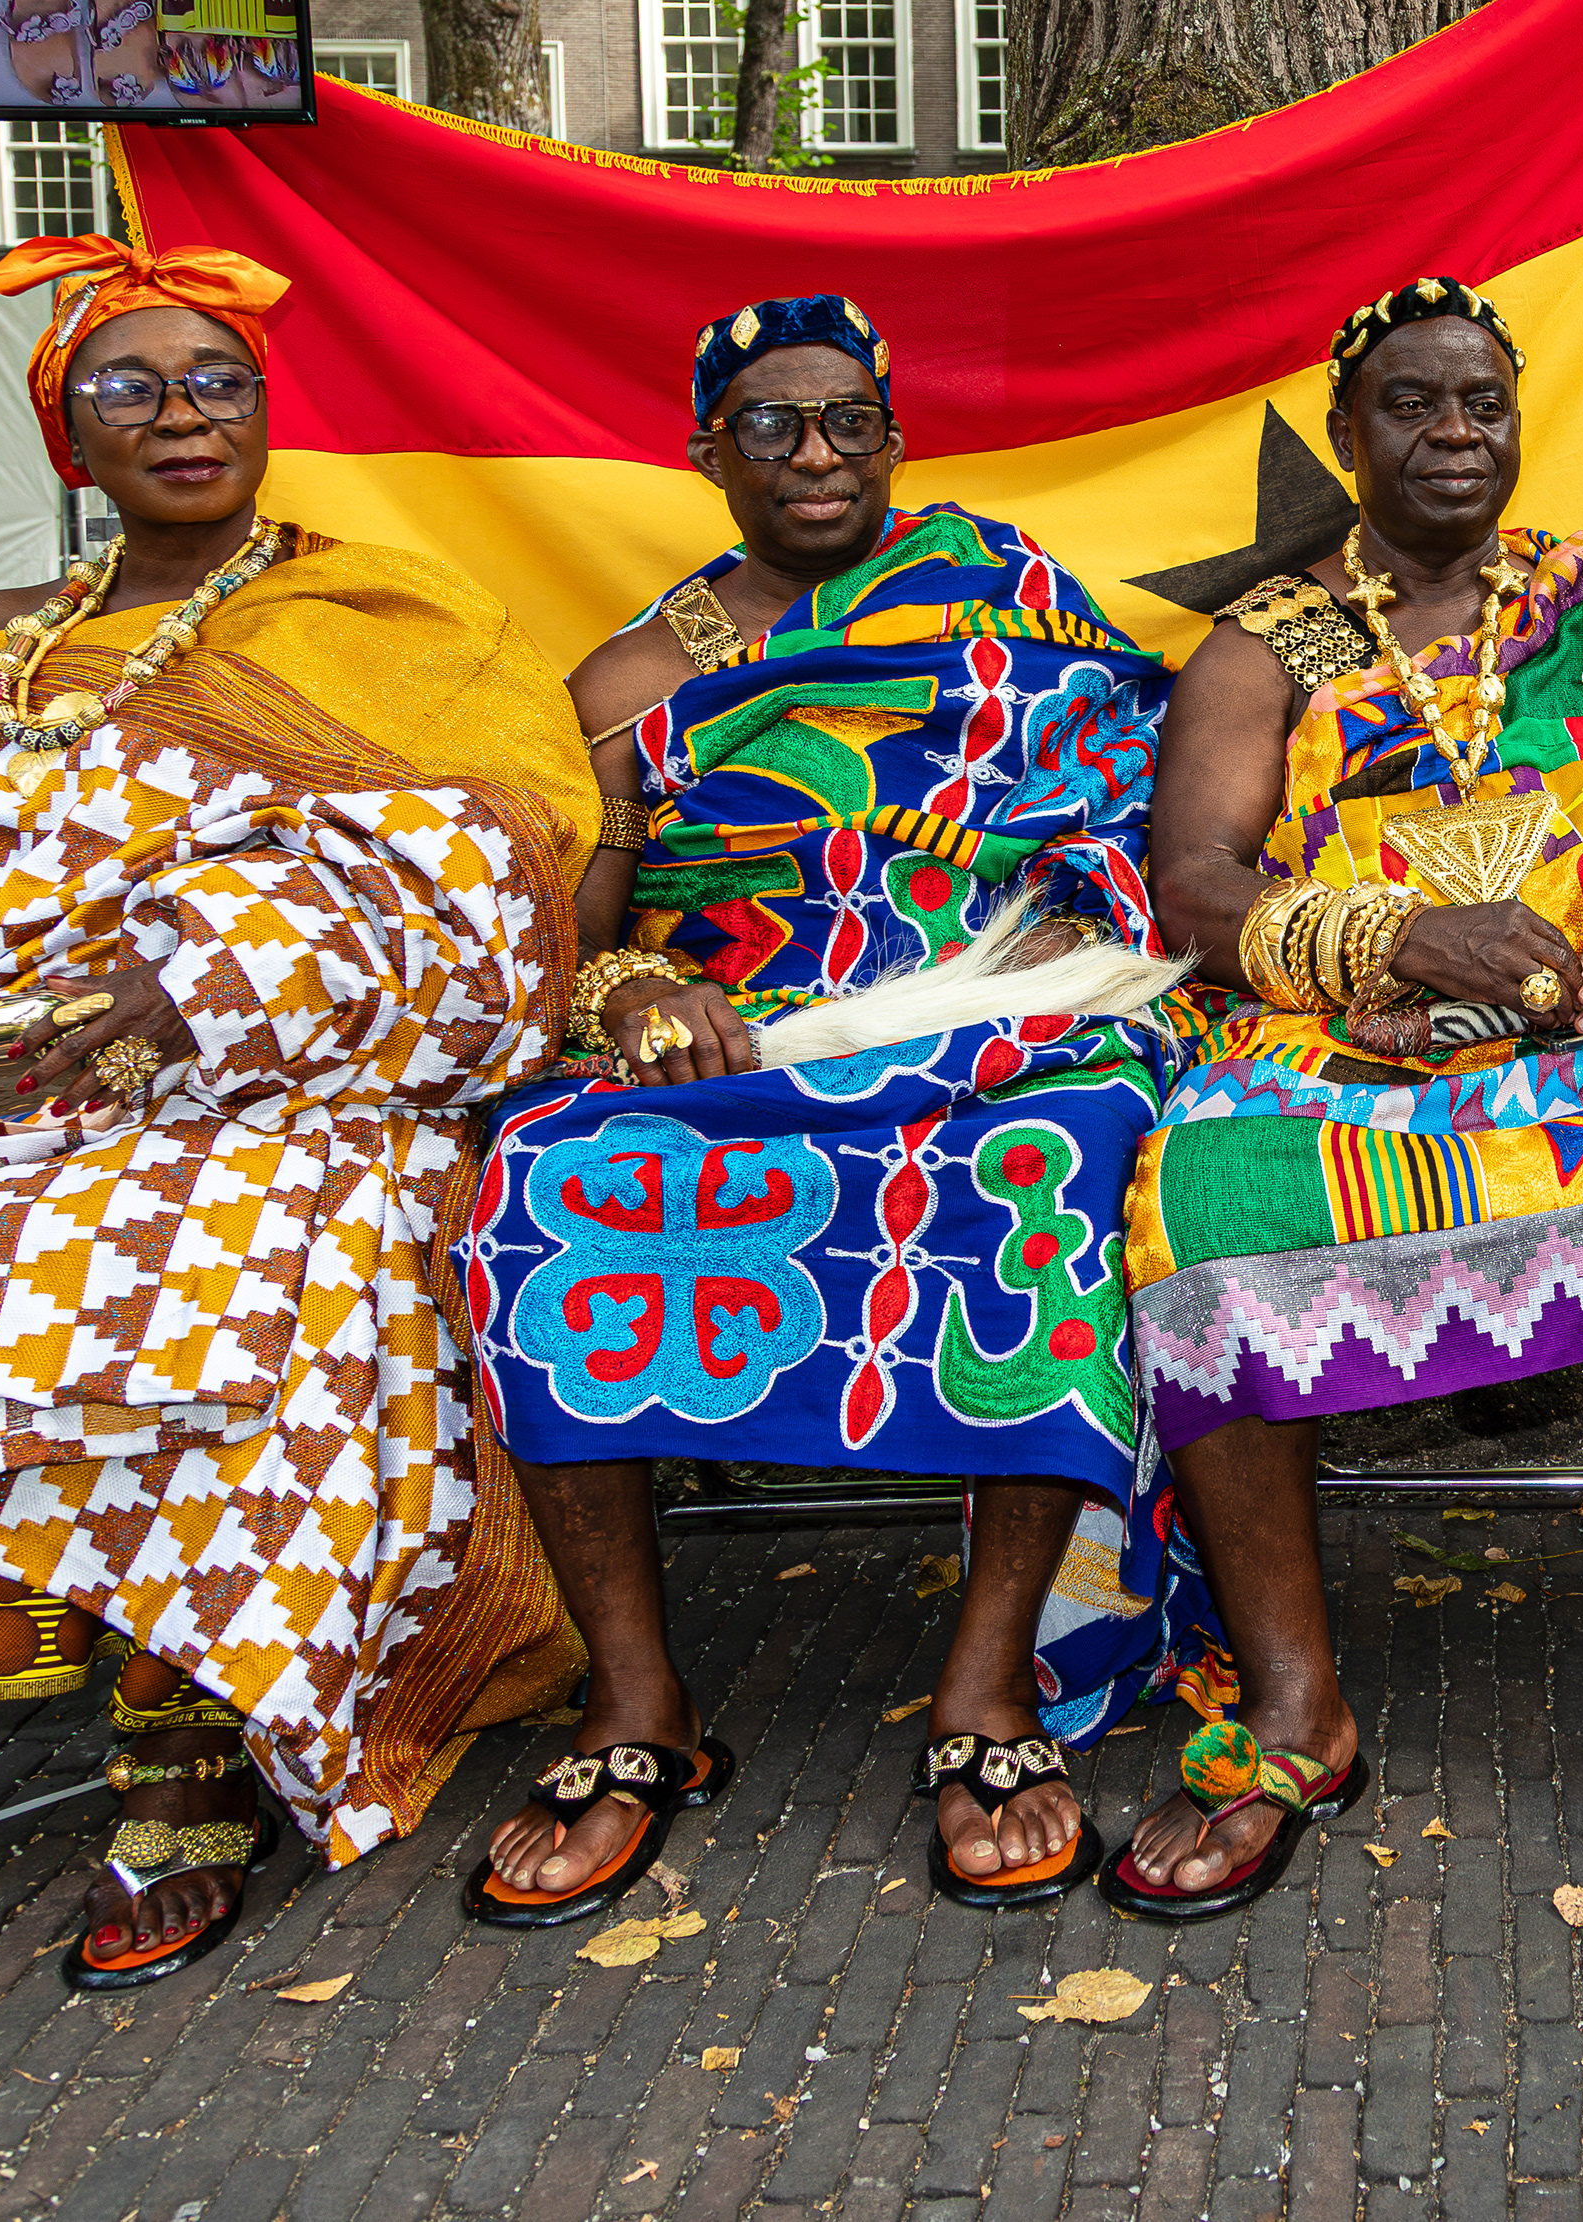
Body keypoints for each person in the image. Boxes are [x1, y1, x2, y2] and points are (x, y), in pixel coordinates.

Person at [0, 234, 597, 2036]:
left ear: (262, 414)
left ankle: (180, 1757)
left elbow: (495, 858)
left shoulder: (370, 622)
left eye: (217, 381)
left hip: (245, 1075)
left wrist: (186, 996)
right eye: (131, 387)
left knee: (159, 1276)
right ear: (65, 432)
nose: (182, 414)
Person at [1113, 279, 1583, 1919]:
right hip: (1346, 1036)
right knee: (1208, 1203)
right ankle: (1299, 1708)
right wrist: (1395, 935)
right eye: (1413, 404)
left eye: (1482, 403)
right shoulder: (1273, 636)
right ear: (1347, 433)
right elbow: (1192, 885)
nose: (1455, 434)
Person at [461, 295, 1207, 1919]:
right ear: (704, 449)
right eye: (776, 425)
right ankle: (640, 1702)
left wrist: (1069, 935)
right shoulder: (636, 671)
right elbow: (576, 935)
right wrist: (639, 994)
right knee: (537, 1169)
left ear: (893, 436)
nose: (817, 453)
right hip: (745, 1028)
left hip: (1006, 1016)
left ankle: (989, 1685)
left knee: (1059, 1154)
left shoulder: (1013, 598)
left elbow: (1115, 819)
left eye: (850, 421)